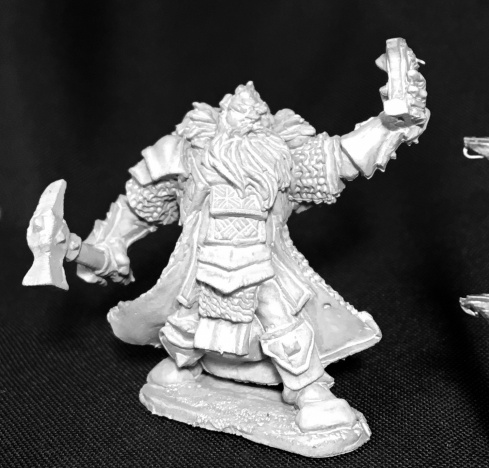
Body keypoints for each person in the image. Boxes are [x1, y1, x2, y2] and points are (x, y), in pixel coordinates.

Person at [77, 80, 429, 433]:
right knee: (186, 316)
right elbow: (141, 204)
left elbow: (343, 157)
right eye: (237, 108)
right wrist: (107, 245)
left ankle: (309, 391)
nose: (248, 110)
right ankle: (183, 366)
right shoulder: (187, 154)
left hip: (262, 261)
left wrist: (388, 124)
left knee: (281, 320)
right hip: (200, 259)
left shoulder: (284, 157)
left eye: (256, 112)